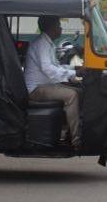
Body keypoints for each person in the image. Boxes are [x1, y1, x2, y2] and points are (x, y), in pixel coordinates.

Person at [24, 16, 81, 147]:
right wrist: (74, 73)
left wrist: (74, 69)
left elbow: (56, 67)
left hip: (45, 86)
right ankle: (77, 139)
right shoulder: (41, 44)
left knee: (80, 91)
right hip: (36, 89)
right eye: (59, 25)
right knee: (72, 95)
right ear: (51, 27)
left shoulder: (48, 43)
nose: (61, 28)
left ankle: (69, 133)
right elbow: (48, 69)